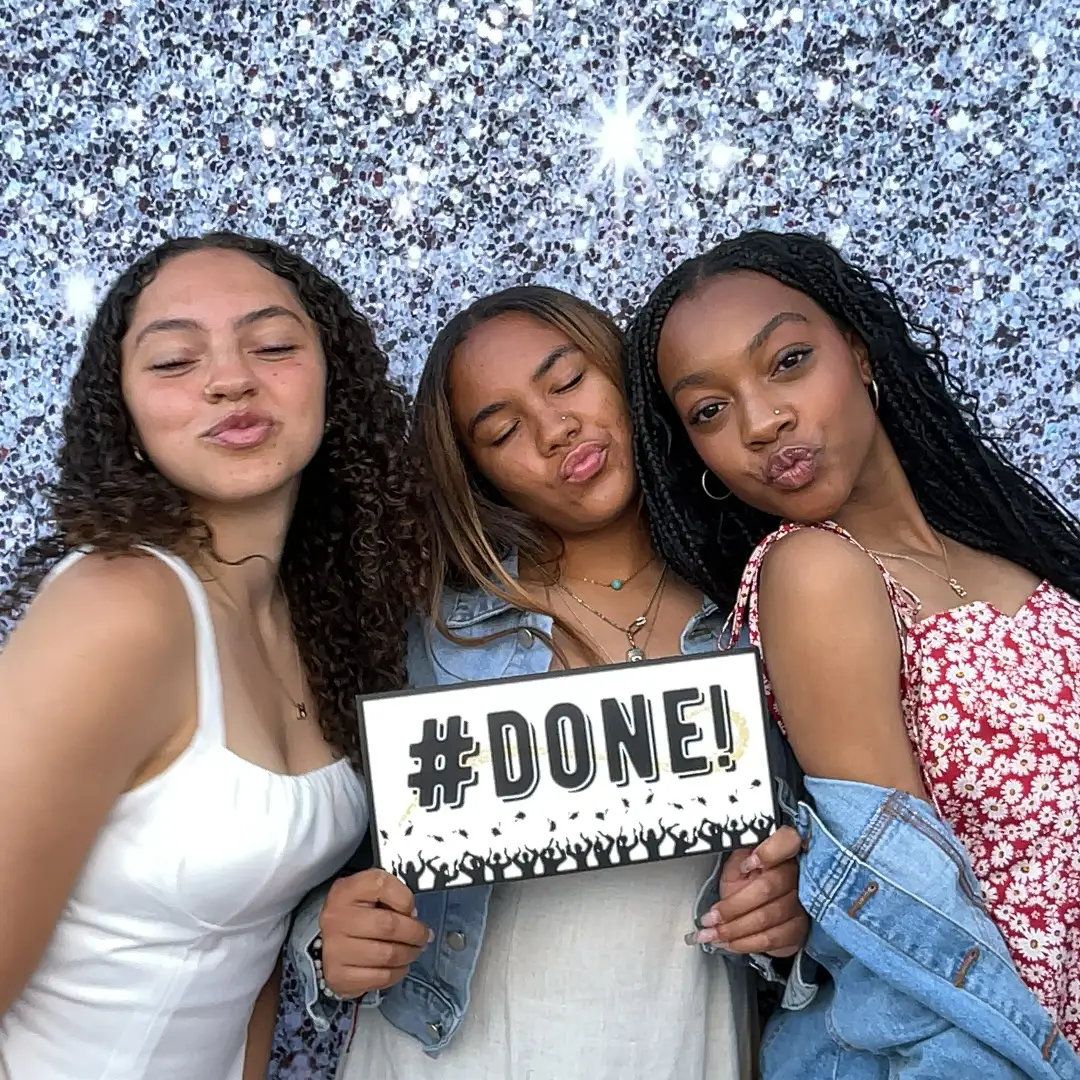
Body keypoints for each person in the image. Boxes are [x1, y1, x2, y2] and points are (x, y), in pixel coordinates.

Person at [287, 285, 815, 1080]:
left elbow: (841, 846)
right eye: (501, 431)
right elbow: (303, 854)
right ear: (481, 474)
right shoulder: (432, 633)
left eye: (568, 382)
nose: (554, 428)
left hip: (682, 1045)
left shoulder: (764, 605)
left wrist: (794, 913)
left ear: (625, 376)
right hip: (451, 1054)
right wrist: (324, 939)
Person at [622, 230, 1080, 1073]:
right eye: (709, 412)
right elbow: (915, 925)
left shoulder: (1020, 556)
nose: (763, 422)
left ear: (860, 354)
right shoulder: (818, 574)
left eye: (788, 360)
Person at [0, 232, 427, 1079]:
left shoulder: (323, 621)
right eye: (172, 362)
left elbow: (249, 942)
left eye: (272, 345)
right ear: (120, 410)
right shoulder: (119, 605)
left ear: (332, 379)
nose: (230, 378)